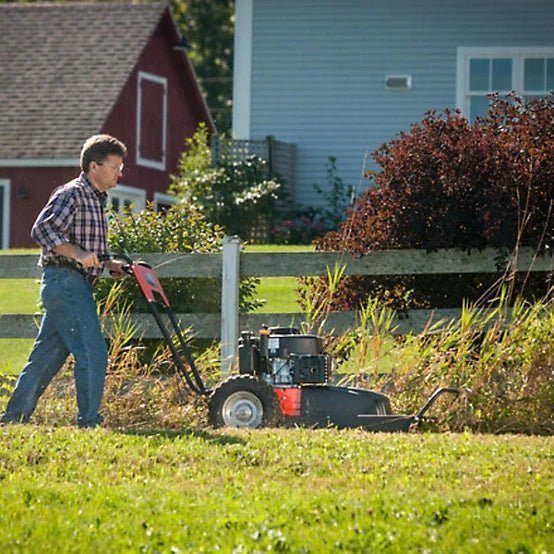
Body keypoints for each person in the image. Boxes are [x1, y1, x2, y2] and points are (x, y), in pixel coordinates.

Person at [1, 134, 128, 428]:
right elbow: (42, 230)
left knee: (46, 357)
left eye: (120, 168)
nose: (119, 173)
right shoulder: (72, 193)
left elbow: (91, 251)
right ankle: (89, 421)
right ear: (94, 166)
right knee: (92, 352)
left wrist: (111, 265)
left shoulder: (96, 200)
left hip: (70, 284)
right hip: (65, 280)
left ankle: (13, 418)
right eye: (115, 167)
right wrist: (78, 254)